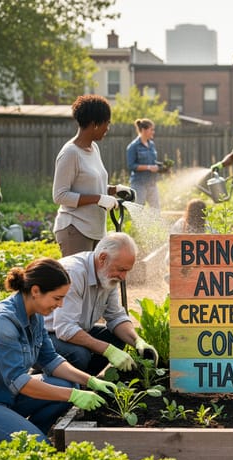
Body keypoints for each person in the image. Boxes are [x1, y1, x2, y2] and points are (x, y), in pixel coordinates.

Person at [0, 258, 116, 450]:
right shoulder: (2, 321)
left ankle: (25, 436)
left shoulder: (35, 316)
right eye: (57, 298)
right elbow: (20, 381)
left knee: (68, 383)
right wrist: (73, 395)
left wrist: (90, 381)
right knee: (38, 447)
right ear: (35, 291)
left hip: (4, 396)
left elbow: (50, 359)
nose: (60, 304)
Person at [44, 232, 158, 375]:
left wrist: (137, 341)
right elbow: (64, 328)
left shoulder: (107, 276)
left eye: (127, 271)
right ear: (103, 258)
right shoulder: (73, 273)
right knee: (79, 355)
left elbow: (116, 316)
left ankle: (87, 381)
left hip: (72, 330)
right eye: (121, 269)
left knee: (117, 337)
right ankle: (64, 384)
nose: (123, 277)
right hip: (43, 336)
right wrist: (108, 350)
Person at [52, 94, 135, 257]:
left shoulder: (93, 148)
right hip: (75, 230)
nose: (108, 128)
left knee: (96, 282)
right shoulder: (70, 153)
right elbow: (60, 195)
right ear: (94, 124)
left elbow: (88, 185)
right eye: (107, 123)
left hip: (95, 229)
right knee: (80, 281)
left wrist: (114, 189)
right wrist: (98, 199)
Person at [126, 118, 161, 210]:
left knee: (156, 211)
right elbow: (131, 166)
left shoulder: (151, 144)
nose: (153, 132)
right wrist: (149, 167)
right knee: (138, 211)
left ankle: (154, 225)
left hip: (152, 183)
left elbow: (153, 162)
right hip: (139, 184)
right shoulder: (133, 146)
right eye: (151, 130)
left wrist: (162, 167)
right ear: (144, 130)